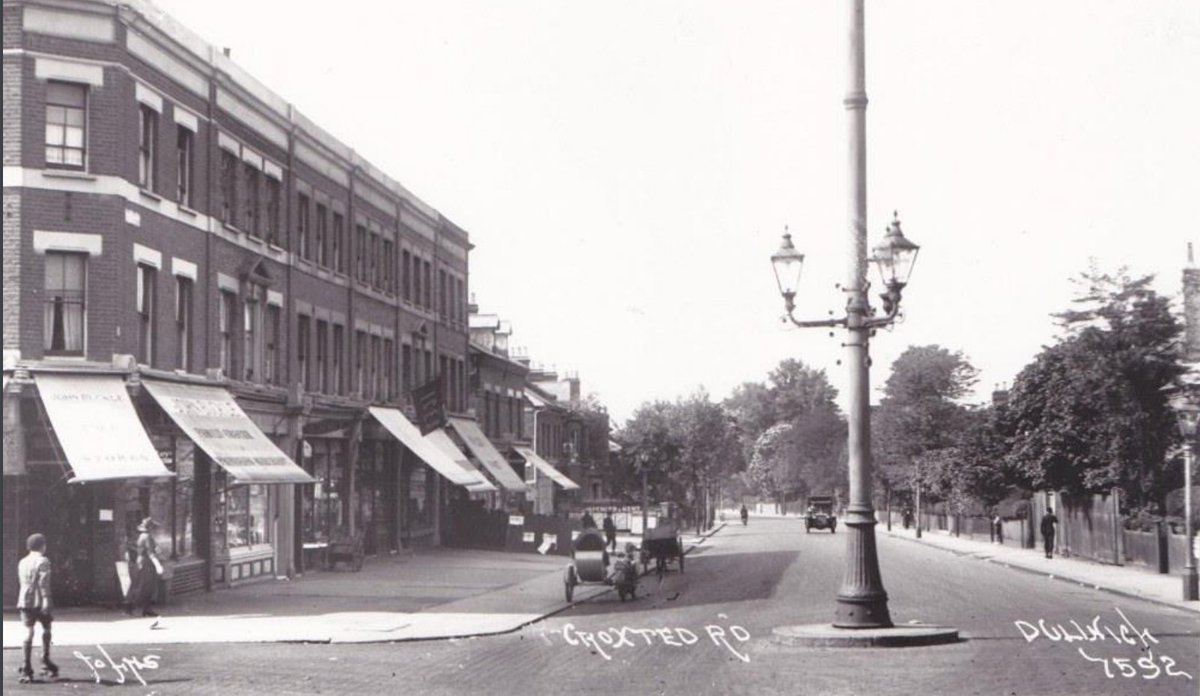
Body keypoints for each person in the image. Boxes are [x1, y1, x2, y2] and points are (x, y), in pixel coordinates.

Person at [17, 533, 57, 682]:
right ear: (42, 546)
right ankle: (45, 660)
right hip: (39, 601)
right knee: (46, 628)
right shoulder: (43, 561)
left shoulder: (22, 561)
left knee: (28, 631)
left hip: (24, 600)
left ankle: (26, 666)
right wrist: (46, 599)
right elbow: (43, 582)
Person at [125, 517, 163, 617]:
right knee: (143, 586)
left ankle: (146, 608)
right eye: (153, 528)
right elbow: (150, 553)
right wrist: (158, 564)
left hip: (141, 562)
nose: (154, 530)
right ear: (150, 528)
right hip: (146, 563)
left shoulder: (143, 536)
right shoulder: (147, 537)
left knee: (144, 586)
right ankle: (130, 607)